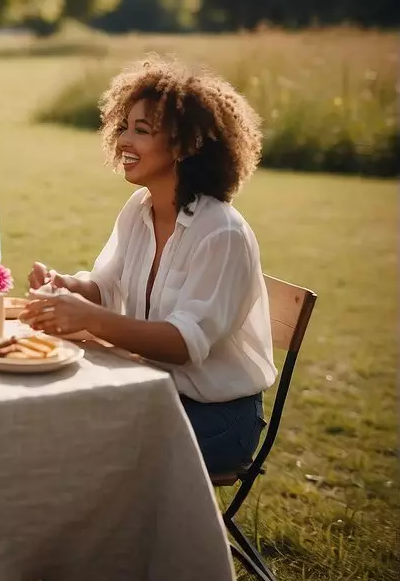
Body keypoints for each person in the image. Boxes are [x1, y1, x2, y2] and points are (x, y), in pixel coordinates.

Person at [22, 57, 277, 474]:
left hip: (217, 417)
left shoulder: (221, 234)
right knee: (50, 415)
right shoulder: (140, 209)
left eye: (142, 131)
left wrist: (90, 318)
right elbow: (105, 285)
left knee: (81, 442)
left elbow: (182, 345)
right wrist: (66, 285)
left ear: (186, 145)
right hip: (153, 390)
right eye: (124, 126)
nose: (124, 140)